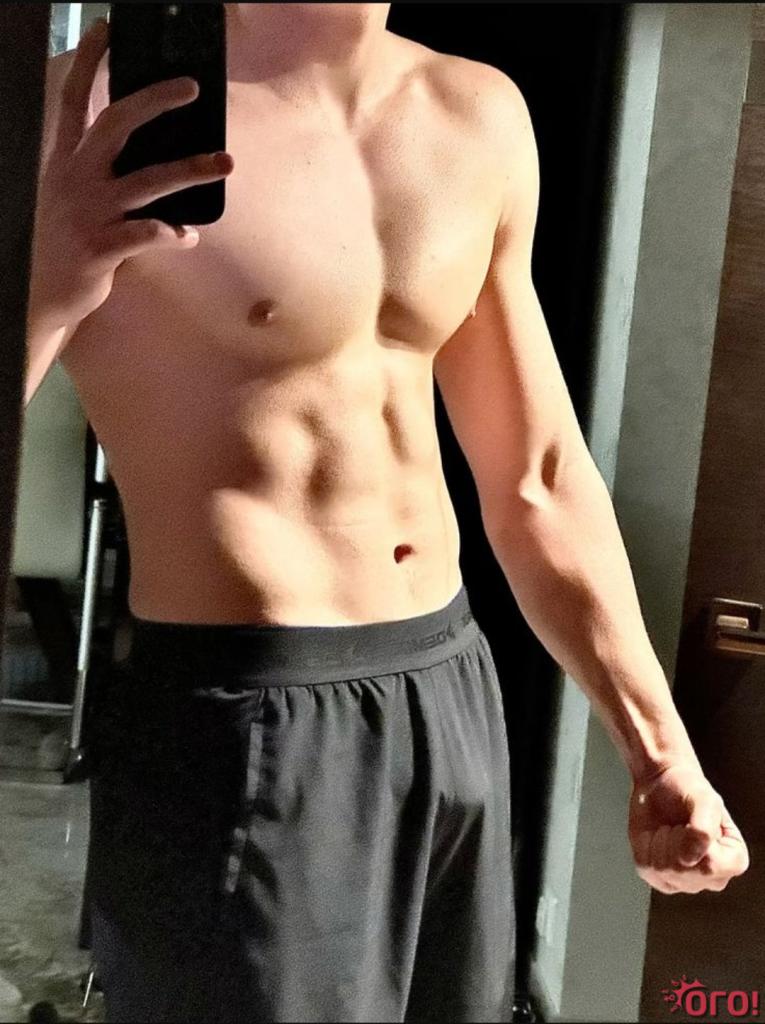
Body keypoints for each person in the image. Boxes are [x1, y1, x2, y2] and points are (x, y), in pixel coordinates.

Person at [26, 4, 749, 1022]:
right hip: (241, 711)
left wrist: (661, 751)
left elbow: (538, 474)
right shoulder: (74, 111)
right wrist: (42, 282)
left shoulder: (474, 111)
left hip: (446, 684)